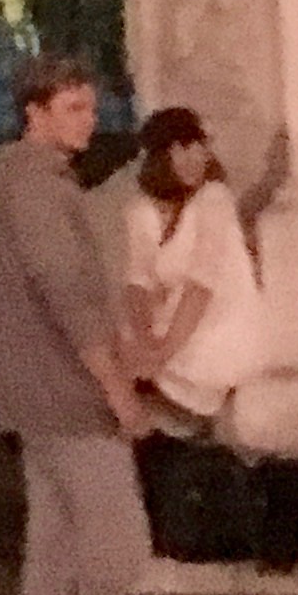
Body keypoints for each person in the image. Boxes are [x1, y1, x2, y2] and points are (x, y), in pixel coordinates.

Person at [0, 57, 167, 595]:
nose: (90, 121)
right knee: (109, 552)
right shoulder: (37, 187)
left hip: (36, 392)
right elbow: (67, 296)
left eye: (91, 107)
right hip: (68, 393)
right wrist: (116, 389)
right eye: (74, 108)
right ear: (36, 113)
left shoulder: (25, 181)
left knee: (53, 548)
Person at [113, 108, 262, 433]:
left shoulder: (214, 199)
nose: (194, 158)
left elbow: (201, 285)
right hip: (172, 331)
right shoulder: (141, 210)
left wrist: (161, 354)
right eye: (181, 148)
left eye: (199, 147)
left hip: (217, 327)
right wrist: (144, 340)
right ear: (160, 156)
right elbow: (138, 282)